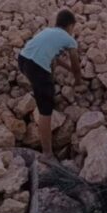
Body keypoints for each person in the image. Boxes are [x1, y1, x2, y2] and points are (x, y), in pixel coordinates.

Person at [18, 9, 83, 160]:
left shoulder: (48, 31)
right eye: (73, 28)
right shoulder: (69, 39)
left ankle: (39, 89)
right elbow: (76, 63)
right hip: (37, 68)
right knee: (46, 108)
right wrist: (78, 80)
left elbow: (53, 57)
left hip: (22, 59)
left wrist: (68, 70)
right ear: (70, 26)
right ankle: (47, 153)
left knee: (44, 79)